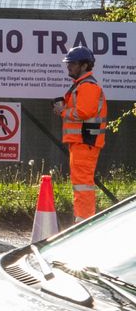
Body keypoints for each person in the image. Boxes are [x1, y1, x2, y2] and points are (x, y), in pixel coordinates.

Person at [55, 45, 107, 222]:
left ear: (84, 65)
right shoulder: (81, 86)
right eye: (68, 63)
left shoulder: (87, 86)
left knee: (83, 183)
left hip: (85, 141)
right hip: (82, 141)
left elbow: (83, 112)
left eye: (73, 63)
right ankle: (83, 219)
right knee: (81, 182)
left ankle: (84, 221)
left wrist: (63, 111)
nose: (68, 66)